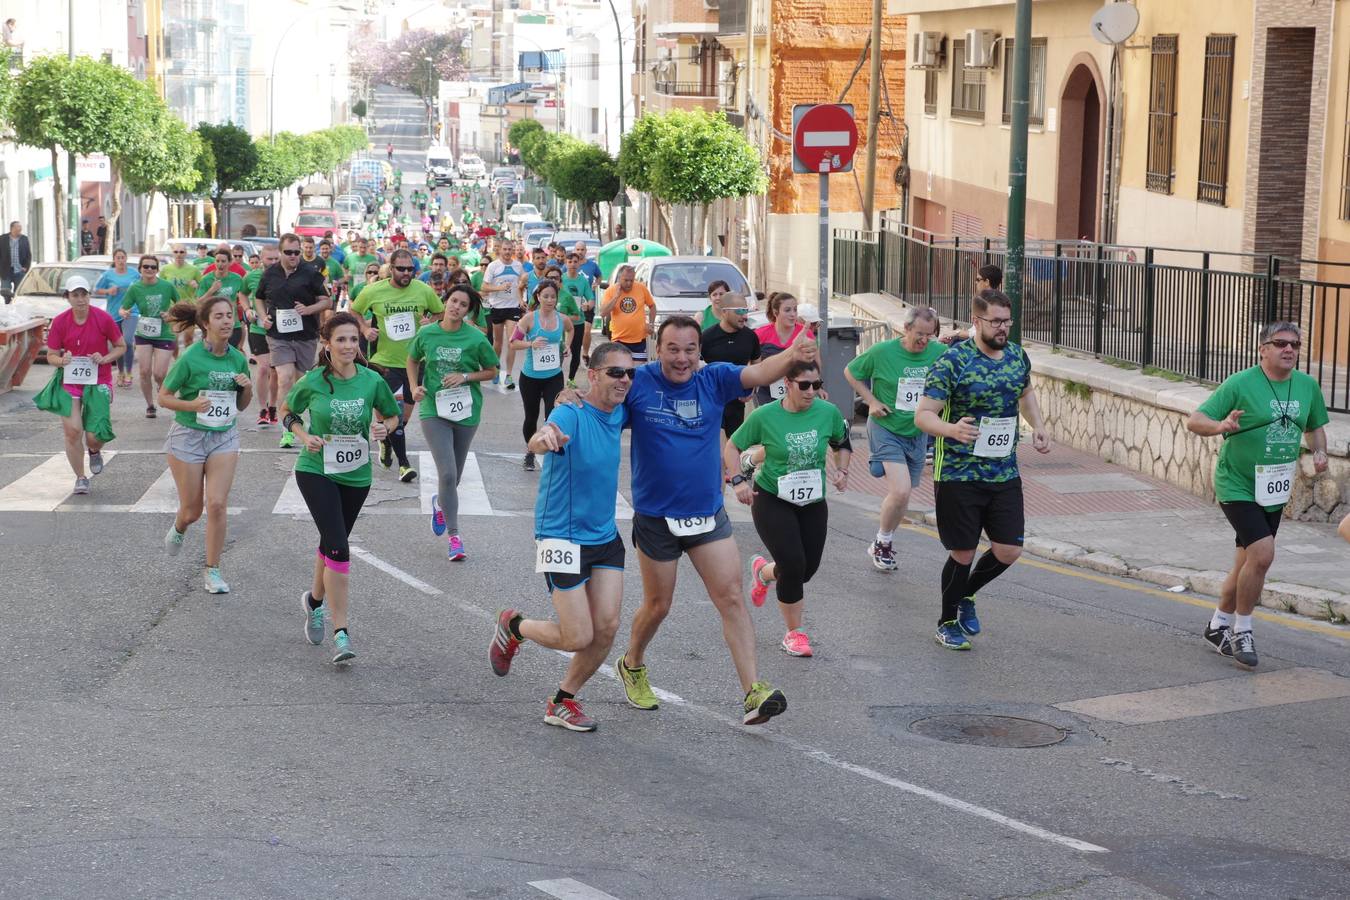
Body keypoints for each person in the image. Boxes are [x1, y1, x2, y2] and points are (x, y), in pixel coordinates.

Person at [603, 316, 819, 724]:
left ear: (699, 351)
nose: (682, 358)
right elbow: (601, 400)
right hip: (657, 517)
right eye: (673, 349)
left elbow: (758, 371)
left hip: (707, 514)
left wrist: (792, 355)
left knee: (732, 598)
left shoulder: (714, 380)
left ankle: (753, 691)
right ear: (657, 348)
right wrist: (569, 398)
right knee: (658, 605)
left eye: (689, 349)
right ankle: (632, 663)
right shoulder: (641, 382)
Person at [489, 344, 635, 732]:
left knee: (606, 627)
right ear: (594, 373)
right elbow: (543, 435)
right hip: (560, 537)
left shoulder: (623, 408)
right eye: (616, 373)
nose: (625, 380)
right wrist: (543, 440)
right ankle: (514, 627)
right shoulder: (570, 411)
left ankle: (563, 700)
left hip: (604, 534)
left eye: (629, 374)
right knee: (577, 636)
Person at [1186, 321, 1329, 669]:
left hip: (1275, 487)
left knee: (1246, 562)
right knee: (1263, 555)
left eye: (1295, 344)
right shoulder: (1240, 383)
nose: (1289, 349)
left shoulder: (1307, 386)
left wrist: (1319, 452)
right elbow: (1195, 420)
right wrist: (1220, 426)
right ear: (1262, 349)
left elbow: (1314, 427)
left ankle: (1217, 624)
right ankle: (1242, 630)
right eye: (1280, 343)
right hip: (1237, 483)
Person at [914, 289, 1051, 651]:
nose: (1003, 327)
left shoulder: (1018, 356)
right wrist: (951, 429)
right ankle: (946, 622)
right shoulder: (952, 362)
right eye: (996, 321)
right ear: (977, 321)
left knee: (1009, 550)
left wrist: (1037, 425)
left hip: (1003, 470)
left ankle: (966, 595)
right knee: (963, 552)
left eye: (1007, 321)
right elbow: (923, 415)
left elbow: (1026, 393)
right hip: (959, 472)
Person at [282, 312, 401, 664]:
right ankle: (342, 632)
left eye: (354, 339)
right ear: (327, 344)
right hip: (315, 469)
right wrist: (304, 436)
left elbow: (392, 415)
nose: (349, 346)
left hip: (356, 474)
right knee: (339, 546)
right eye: (342, 340)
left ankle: (314, 603)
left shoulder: (371, 380)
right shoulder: (314, 380)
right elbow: (287, 410)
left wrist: (385, 429)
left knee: (329, 545)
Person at [726, 359, 850, 658]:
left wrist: (842, 470)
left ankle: (764, 572)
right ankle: (794, 633)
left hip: (812, 500)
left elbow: (842, 442)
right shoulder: (766, 415)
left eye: (816, 385)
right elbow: (732, 446)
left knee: (806, 570)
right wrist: (739, 481)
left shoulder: (827, 412)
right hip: (772, 497)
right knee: (794, 565)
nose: (811, 392)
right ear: (787, 384)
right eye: (804, 385)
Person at [158, 295, 253, 595]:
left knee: (217, 504)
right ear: (205, 323)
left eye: (230, 316)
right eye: (219, 316)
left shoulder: (238, 358)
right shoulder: (190, 357)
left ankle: (212, 570)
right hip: (188, 436)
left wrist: (247, 388)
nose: (227, 321)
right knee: (192, 510)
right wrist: (191, 405)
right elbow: (164, 396)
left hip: (224, 435)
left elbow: (241, 405)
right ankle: (180, 526)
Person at [845, 306, 946, 572]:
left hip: (916, 431)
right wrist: (871, 401)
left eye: (930, 335)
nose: (924, 340)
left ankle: (882, 535)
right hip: (885, 426)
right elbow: (851, 372)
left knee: (903, 495)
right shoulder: (882, 352)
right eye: (920, 334)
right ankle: (883, 542)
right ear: (906, 329)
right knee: (900, 490)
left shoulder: (939, 353)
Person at [406, 284, 500, 561]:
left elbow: (492, 371)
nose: (456, 307)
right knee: (447, 474)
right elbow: (412, 360)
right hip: (434, 409)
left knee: (454, 477)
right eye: (453, 301)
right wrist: (414, 388)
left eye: (463, 305)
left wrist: (466, 377)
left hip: (466, 411)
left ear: (468, 311)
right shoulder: (427, 333)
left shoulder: (475, 338)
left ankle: (440, 504)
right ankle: (455, 537)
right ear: (445, 302)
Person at [350, 246, 442, 482]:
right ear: (391, 269)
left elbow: (440, 313)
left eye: (410, 269)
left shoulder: (423, 290)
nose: (406, 273)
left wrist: (429, 320)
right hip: (383, 362)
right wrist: (364, 328)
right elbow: (355, 310)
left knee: (403, 417)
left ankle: (386, 440)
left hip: (414, 361)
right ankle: (404, 465)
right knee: (395, 413)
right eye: (401, 269)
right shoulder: (373, 291)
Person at [42, 276, 125, 494]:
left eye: (84, 294)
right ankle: (80, 477)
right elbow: (50, 355)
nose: (80, 299)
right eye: (75, 295)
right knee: (72, 431)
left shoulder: (103, 318)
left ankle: (95, 451)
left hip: (98, 378)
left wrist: (105, 358)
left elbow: (121, 346)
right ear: (67, 298)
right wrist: (62, 361)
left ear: (89, 295)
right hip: (70, 380)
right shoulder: (60, 322)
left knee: (94, 436)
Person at [256, 233, 332, 448]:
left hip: (305, 335)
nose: (293, 256)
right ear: (281, 252)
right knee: (285, 378)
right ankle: (286, 429)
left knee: (300, 383)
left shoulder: (311, 273)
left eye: (297, 252)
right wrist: (263, 317)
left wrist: (308, 309)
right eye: (288, 252)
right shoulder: (270, 274)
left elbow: (327, 301)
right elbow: (259, 297)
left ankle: (299, 420)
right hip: (278, 336)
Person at [511, 280, 574, 471]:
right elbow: (513, 342)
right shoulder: (529, 319)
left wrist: (568, 345)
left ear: (557, 298)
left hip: (553, 375)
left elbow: (571, 330)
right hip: (530, 377)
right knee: (531, 416)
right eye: (545, 296)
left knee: (553, 415)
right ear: (538, 297)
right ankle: (530, 452)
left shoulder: (562, 319)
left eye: (553, 296)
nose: (549, 300)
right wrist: (531, 344)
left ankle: (553, 452)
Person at [121, 254, 180, 419]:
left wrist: (170, 314)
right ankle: (150, 405)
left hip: (164, 334)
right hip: (144, 333)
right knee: (144, 371)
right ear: (140, 269)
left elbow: (181, 305)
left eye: (153, 267)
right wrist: (124, 312)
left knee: (159, 374)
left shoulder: (167, 286)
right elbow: (123, 308)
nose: (149, 269)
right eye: (146, 266)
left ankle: (164, 392)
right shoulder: (135, 288)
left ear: (157, 270)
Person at [699, 291, 759, 442]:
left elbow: (757, 364)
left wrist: (752, 387)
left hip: (737, 403)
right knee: (719, 447)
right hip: (711, 402)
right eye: (739, 311)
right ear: (724, 312)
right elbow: (695, 368)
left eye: (746, 310)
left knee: (733, 448)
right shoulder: (706, 337)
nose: (744, 316)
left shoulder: (750, 336)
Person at [753, 293, 814, 407]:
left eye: (795, 310)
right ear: (776, 313)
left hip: (798, 390)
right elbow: (753, 366)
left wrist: (818, 386)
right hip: (766, 392)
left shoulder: (805, 333)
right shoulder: (760, 334)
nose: (792, 314)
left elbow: (815, 363)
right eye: (787, 310)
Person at [242, 244, 280, 424]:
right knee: (264, 368)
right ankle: (263, 409)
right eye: (269, 259)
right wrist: (247, 309)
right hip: (257, 328)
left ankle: (273, 406)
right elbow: (242, 294)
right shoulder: (252, 276)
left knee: (275, 370)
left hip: (279, 330)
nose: (272, 262)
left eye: (275, 259)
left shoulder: (284, 276)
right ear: (261, 259)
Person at [480, 241, 526, 389]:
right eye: (504, 249)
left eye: (509, 249)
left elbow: (521, 285)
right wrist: (499, 287)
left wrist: (521, 300)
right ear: (500, 250)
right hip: (497, 307)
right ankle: (496, 368)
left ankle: (509, 375)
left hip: (513, 307)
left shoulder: (518, 265)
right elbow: (484, 286)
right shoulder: (493, 266)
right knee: (498, 342)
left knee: (512, 341)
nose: (507, 252)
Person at [92, 249, 139, 387]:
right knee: (118, 345)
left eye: (123, 257)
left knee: (128, 342)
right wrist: (108, 291)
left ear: (126, 259)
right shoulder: (107, 275)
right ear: (114, 260)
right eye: (118, 258)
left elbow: (142, 287)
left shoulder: (134, 274)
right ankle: (120, 372)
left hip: (131, 312)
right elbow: (96, 289)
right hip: (114, 314)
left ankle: (129, 373)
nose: (120, 260)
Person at [599, 265, 656, 363]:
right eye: (626, 280)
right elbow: (603, 312)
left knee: (638, 372)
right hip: (619, 339)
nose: (629, 283)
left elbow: (652, 306)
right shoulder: (611, 291)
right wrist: (616, 297)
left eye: (631, 280)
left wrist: (651, 324)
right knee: (621, 370)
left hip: (639, 340)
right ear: (619, 278)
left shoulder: (641, 288)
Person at [196, 246, 247, 350]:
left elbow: (245, 295)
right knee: (214, 355)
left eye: (223, 261)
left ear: (230, 262)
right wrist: (211, 290)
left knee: (231, 356)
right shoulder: (207, 279)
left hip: (233, 324)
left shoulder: (237, 279)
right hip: (213, 325)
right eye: (217, 261)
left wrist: (243, 305)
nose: (220, 264)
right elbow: (199, 302)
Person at [561, 251, 595, 382]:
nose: (573, 264)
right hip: (560, 322)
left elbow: (591, 298)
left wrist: (588, 305)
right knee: (559, 352)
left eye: (575, 262)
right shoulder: (561, 279)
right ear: (566, 263)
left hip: (577, 321)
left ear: (579, 263)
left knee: (575, 353)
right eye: (569, 262)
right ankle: (554, 380)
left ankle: (571, 379)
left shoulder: (583, 281)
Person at [1, 220, 32, 299]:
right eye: (18, 227)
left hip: (20, 271)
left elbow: (28, 255)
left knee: (19, 294)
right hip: (6, 271)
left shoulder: (24, 239)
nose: (20, 229)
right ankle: (8, 306)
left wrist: (26, 267)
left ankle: (16, 308)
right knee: (5, 292)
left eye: (20, 227)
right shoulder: (3, 238)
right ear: (12, 228)